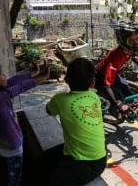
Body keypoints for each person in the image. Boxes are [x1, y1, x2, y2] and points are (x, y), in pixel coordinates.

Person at [0, 60, 50, 186]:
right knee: (15, 176)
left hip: (2, 142)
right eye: (0, 74)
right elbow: (22, 86)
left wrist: (34, 73)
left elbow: (14, 80)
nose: (4, 76)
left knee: (11, 167)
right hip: (12, 144)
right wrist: (44, 77)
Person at [37, 57, 106, 186]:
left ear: (66, 80)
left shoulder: (60, 100)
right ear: (92, 84)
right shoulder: (95, 97)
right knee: (45, 160)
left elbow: (48, 110)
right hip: (96, 157)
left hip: (89, 164)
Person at [95, 20, 138, 118]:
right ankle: (115, 113)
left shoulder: (130, 48)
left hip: (114, 75)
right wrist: (119, 104)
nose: (136, 42)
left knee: (126, 88)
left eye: (137, 39)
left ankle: (132, 111)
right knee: (119, 99)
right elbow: (108, 85)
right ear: (123, 41)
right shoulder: (116, 57)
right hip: (101, 78)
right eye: (132, 40)